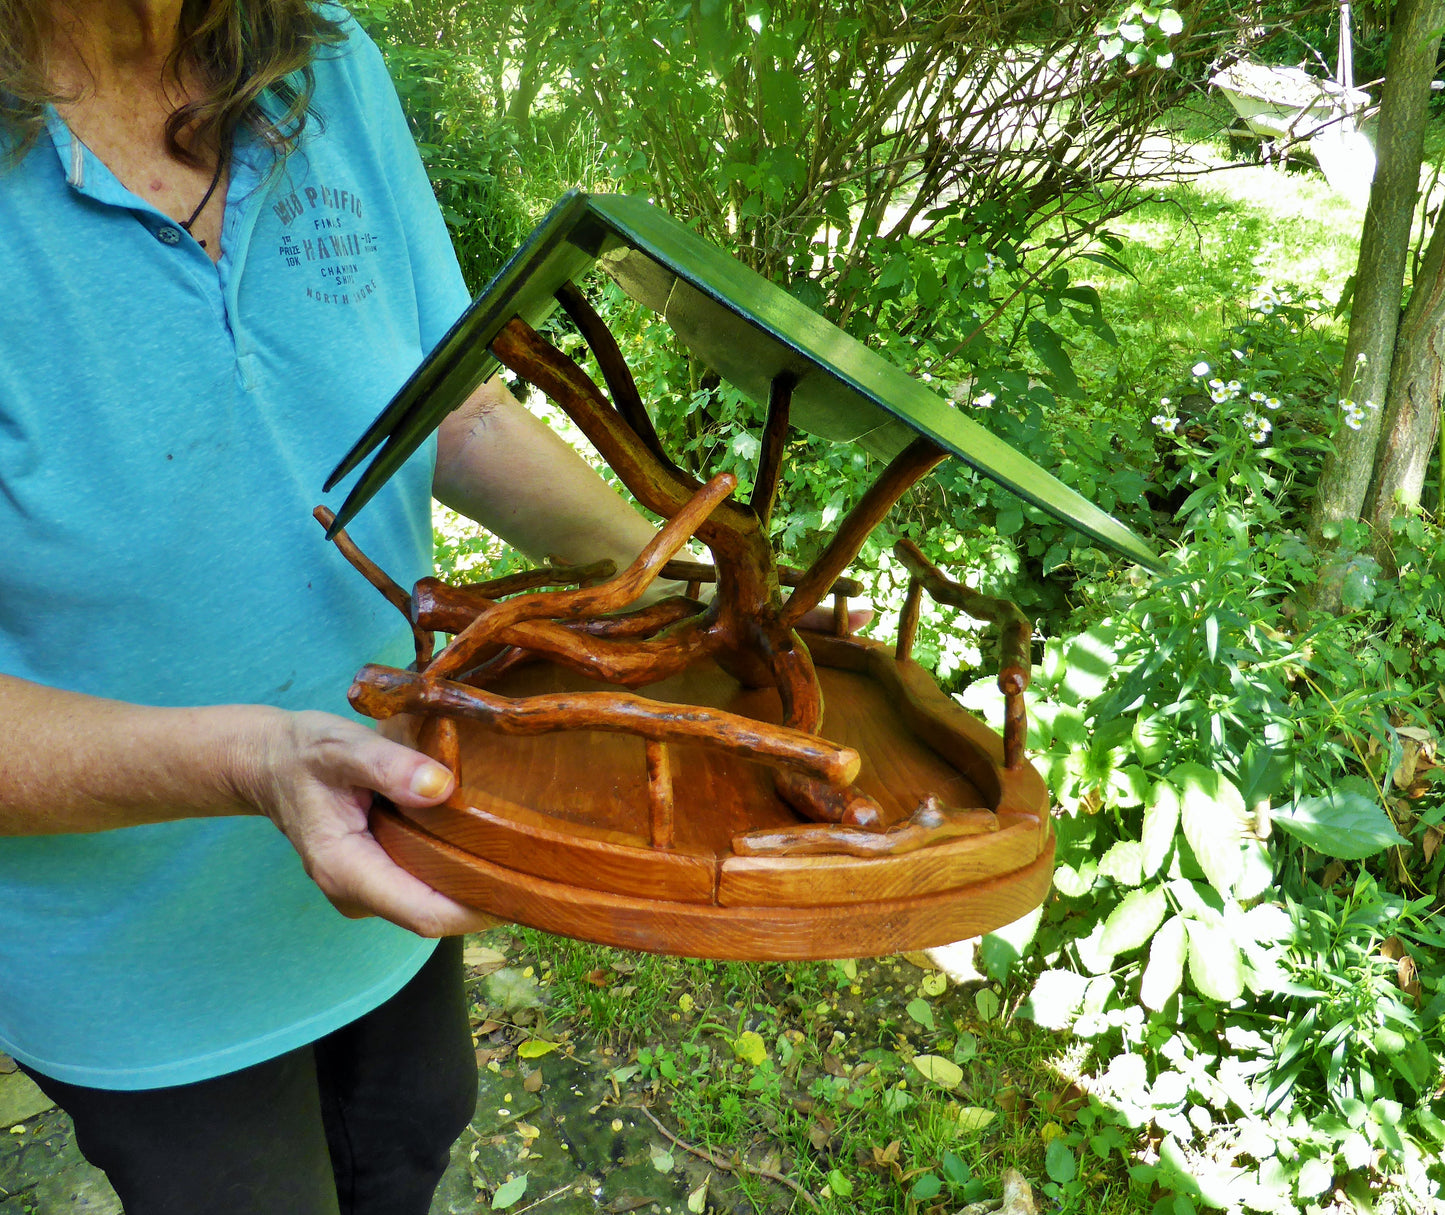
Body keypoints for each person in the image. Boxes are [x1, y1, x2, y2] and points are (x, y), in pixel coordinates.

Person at [0, 0, 670, 1210]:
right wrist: (257, 762)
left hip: (390, 820)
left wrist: (658, 572)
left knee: (414, 1136)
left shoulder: (322, 59)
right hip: (137, 954)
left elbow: (448, 405)